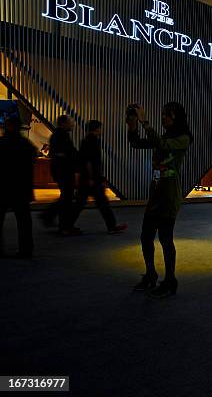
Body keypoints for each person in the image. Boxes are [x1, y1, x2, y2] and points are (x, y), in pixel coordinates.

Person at [127, 102, 192, 298]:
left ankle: (170, 280)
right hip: (156, 193)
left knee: (165, 238)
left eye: (167, 115)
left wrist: (145, 122)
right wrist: (132, 126)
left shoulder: (184, 138)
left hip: (169, 195)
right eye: (163, 114)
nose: (163, 118)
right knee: (146, 236)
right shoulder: (163, 136)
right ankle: (151, 274)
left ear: (176, 118)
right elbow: (137, 143)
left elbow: (163, 146)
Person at [71, 120, 127, 234]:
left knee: (81, 203)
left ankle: (66, 226)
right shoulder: (92, 141)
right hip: (91, 179)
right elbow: (89, 161)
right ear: (96, 129)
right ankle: (112, 226)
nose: (101, 130)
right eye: (100, 128)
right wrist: (93, 178)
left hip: (88, 179)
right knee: (101, 203)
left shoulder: (87, 140)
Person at [0, 116, 37, 258]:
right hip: (21, 188)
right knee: (24, 221)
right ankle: (26, 249)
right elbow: (32, 161)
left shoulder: (2, 143)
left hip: (3, 187)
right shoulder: (25, 144)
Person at [42, 115, 81, 236]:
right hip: (63, 171)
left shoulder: (59, 135)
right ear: (63, 123)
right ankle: (63, 226)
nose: (73, 124)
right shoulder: (60, 136)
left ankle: (53, 218)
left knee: (66, 197)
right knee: (66, 198)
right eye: (70, 122)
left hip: (61, 171)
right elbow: (63, 154)